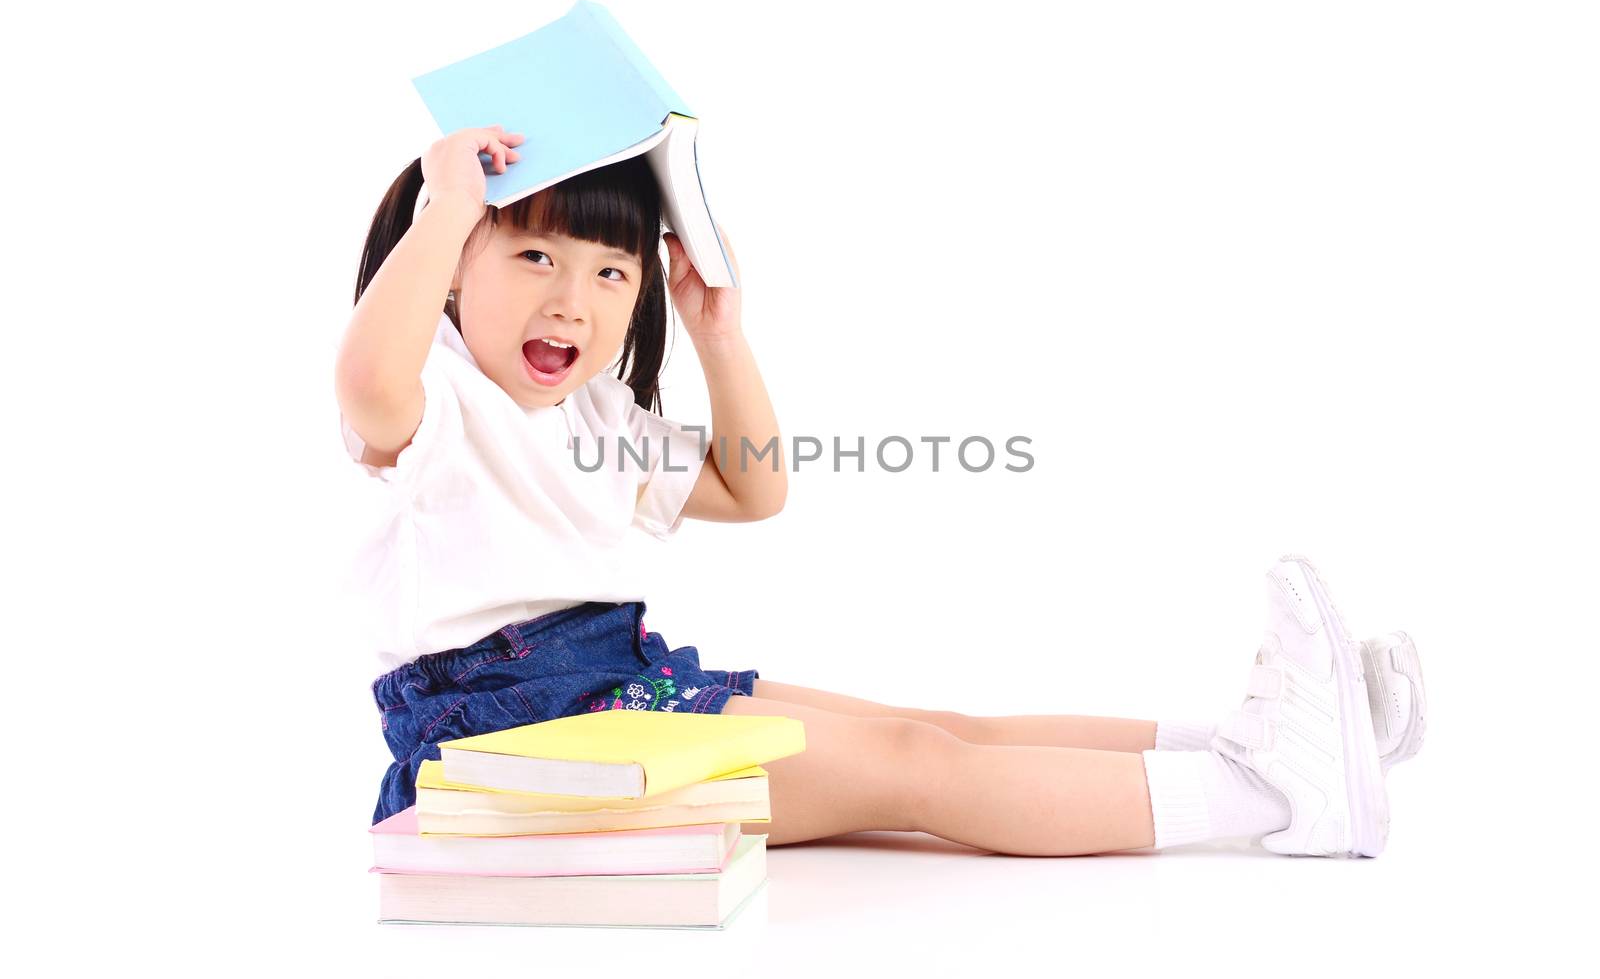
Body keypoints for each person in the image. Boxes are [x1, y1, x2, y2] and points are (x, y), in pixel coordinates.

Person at [337, 125, 1428, 856]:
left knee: (937, 725)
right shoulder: (433, 397)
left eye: (609, 272)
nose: (572, 301)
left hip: (605, 685)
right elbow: (366, 377)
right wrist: (443, 208)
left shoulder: (593, 421)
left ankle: (1270, 734)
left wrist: (722, 337)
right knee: (915, 768)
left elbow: (751, 489)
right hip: (501, 740)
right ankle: (1275, 799)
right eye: (534, 257)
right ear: (453, 267)